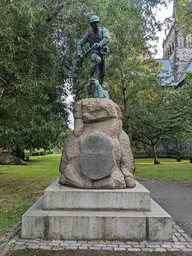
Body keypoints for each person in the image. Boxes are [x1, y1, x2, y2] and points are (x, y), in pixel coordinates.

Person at [77, 15, 110, 86]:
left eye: (97, 22)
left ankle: (100, 88)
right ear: (91, 25)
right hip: (94, 53)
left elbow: (107, 38)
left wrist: (100, 44)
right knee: (97, 60)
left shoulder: (103, 30)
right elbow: (79, 43)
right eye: (94, 23)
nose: (97, 24)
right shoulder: (89, 34)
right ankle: (91, 77)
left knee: (103, 73)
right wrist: (79, 54)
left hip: (103, 53)